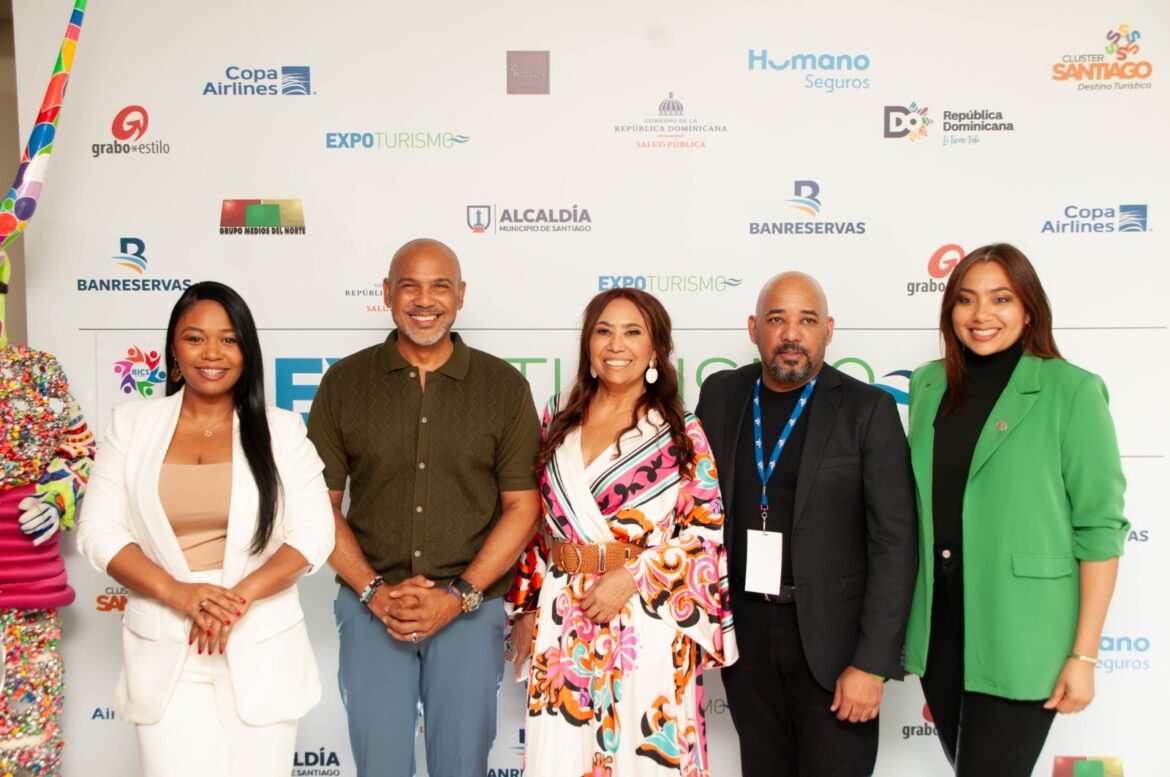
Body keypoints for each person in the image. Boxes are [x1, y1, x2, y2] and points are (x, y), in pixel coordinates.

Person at [76, 281, 335, 777]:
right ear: (174, 350)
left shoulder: (281, 429)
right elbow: (98, 531)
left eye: (228, 339)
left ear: (247, 351)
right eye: (195, 338)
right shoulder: (131, 424)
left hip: (260, 645)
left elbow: (313, 534)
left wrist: (234, 600)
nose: (211, 352)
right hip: (165, 646)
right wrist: (180, 594)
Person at [307, 238, 541, 777]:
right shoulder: (344, 383)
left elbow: (523, 508)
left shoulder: (503, 386)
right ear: (387, 292)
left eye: (440, 286)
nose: (424, 299)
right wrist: (373, 591)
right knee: (380, 766)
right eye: (409, 285)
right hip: (371, 609)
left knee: (461, 765)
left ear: (460, 295)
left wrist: (457, 597)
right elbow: (317, 505)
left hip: (470, 611)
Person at [903, 243, 1128, 776]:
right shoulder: (928, 385)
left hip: (1023, 630)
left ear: (1029, 310)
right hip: (940, 628)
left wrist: (1084, 656)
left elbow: (1100, 527)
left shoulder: (1072, 390)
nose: (981, 314)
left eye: (1000, 298)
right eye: (966, 299)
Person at [694, 272, 917, 777]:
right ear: (754, 328)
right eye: (777, 319)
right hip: (745, 635)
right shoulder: (722, 395)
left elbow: (895, 542)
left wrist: (872, 663)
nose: (791, 334)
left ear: (828, 330)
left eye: (807, 321)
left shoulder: (867, 408)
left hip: (835, 644)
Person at [508, 288, 737, 776]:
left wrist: (632, 577)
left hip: (645, 616)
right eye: (604, 331)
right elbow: (536, 523)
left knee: (642, 755)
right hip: (562, 617)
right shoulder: (556, 417)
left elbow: (705, 534)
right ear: (588, 344)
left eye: (633, 332)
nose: (616, 345)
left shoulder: (680, 430)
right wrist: (525, 607)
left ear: (655, 350)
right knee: (562, 755)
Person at [1, 254, 95, 777]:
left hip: (28, 591)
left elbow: (79, 448)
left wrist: (57, 498)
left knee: (28, 739)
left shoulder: (38, 371)